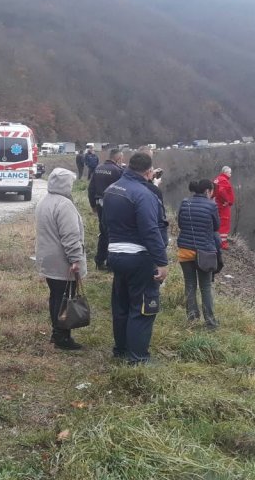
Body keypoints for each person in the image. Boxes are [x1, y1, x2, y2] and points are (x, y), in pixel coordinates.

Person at [102, 152, 168, 364]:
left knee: (121, 305)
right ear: (149, 172)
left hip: (115, 254)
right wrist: (162, 262)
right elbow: (150, 230)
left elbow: (104, 223)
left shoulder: (112, 189)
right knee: (142, 308)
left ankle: (121, 350)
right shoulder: (143, 194)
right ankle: (138, 358)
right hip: (138, 257)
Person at [35, 167, 88, 350]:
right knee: (65, 299)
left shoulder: (44, 201)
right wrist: (75, 260)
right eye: (70, 183)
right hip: (62, 262)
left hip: (48, 259)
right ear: (65, 184)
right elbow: (70, 236)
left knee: (56, 296)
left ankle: (56, 333)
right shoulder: (64, 205)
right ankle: (62, 337)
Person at [176, 180, 220, 329]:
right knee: (205, 287)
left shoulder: (185, 203)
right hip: (204, 252)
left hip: (185, 250)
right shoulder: (211, 205)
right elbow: (216, 226)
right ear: (207, 191)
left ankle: (192, 319)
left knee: (190, 284)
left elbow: (180, 224)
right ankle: (210, 322)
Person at [87, 148, 123, 270]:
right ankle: (110, 263)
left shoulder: (98, 168)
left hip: (100, 204)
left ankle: (99, 260)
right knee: (114, 233)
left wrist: (92, 205)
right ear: (118, 158)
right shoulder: (118, 171)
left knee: (103, 232)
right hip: (114, 206)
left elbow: (91, 189)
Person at [213, 166, 235, 249]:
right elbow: (221, 191)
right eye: (230, 173)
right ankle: (223, 243)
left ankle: (216, 239)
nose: (230, 174)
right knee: (224, 223)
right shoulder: (224, 180)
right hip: (223, 206)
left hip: (216, 204)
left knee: (217, 222)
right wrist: (227, 200)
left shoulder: (217, 179)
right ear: (225, 172)